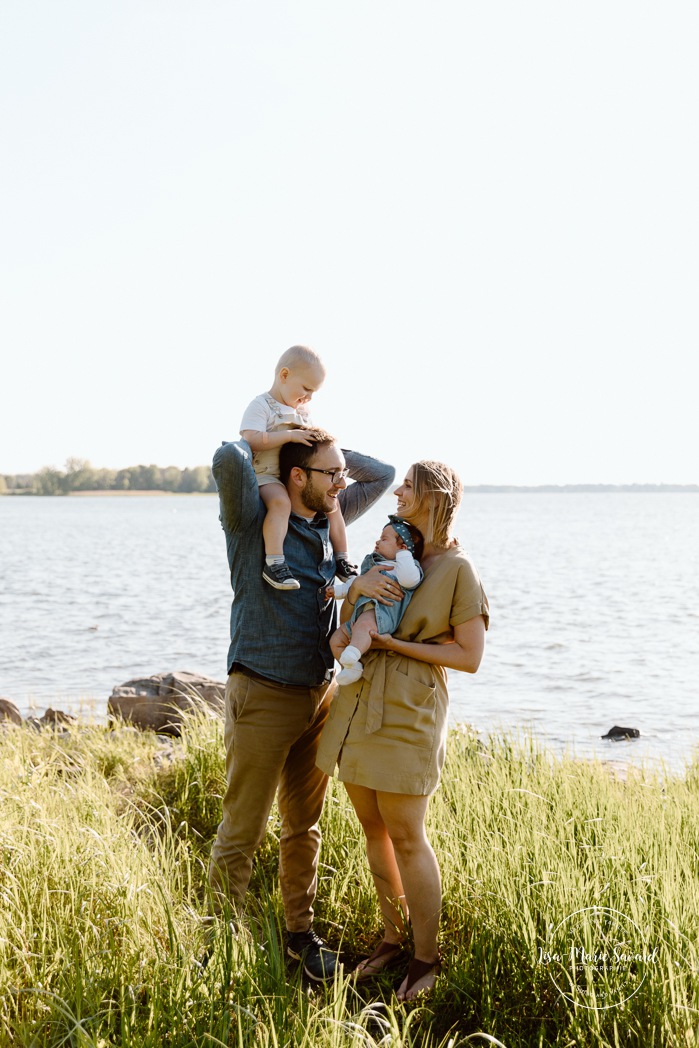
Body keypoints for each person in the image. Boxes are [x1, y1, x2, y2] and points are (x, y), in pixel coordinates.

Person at [208, 428, 394, 982]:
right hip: (262, 693)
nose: (342, 481)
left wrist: (322, 438)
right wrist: (278, 432)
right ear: (295, 476)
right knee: (242, 829)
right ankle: (220, 950)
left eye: (341, 473)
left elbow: (380, 473)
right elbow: (226, 456)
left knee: (303, 827)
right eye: (330, 472)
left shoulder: (328, 512)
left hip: (319, 697)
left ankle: (299, 939)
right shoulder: (251, 520)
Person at [316, 460, 489, 1000]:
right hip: (357, 699)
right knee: (372, 829)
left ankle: (425, 957)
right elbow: (349, 616)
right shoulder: (380, 555)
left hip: (409, 708)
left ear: (435, 497)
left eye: (409, 485)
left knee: (408, 836)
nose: (399, 490)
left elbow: (469, 656)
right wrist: (344, 634)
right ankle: (392, 938)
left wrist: (393, 645)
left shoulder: (456, 569)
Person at [240, 345, 358, 591]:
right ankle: (274, 563)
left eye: (314, 392)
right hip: (266, 476)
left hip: (295, 476)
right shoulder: (262, 406)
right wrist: (290, 436)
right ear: (284, 376)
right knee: (280, 503)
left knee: (333, 508)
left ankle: (342, 559)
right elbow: (249, 438)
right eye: (306, 389)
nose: (309, 397)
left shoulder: (302, 412)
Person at [328, 515, 424, 686]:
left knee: (364, 625)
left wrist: (404, 554)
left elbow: (410, 580)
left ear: (403, 547)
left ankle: (354, 651)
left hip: (382, 616)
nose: (378, 542)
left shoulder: (403, 567)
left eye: (384, 539)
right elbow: (356, 583)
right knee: (336, 639)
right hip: (362, 616)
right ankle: (352, 667)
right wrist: (338, 590)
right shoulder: (374, 564)